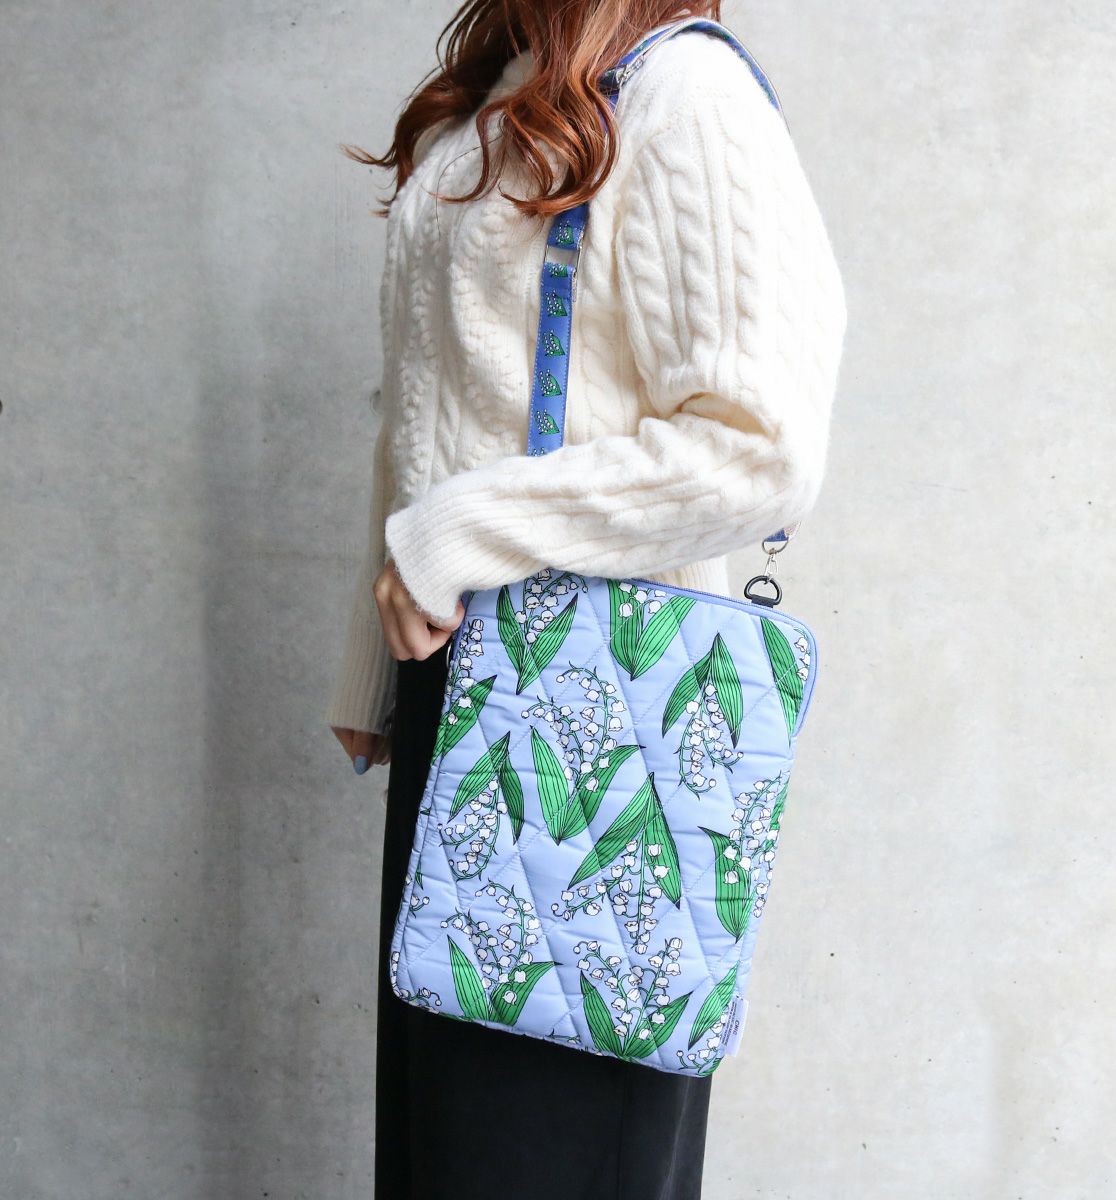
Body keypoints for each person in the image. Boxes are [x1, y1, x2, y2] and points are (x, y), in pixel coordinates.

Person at [325, 2, 847, 1196]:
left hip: (602, 732)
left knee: (541, 1158)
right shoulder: (505, 79)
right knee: (451, 1159)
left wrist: (461, 536)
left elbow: (761, 446)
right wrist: (377, 654)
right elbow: (431, 401)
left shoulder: (684, 95)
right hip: (463, 692)